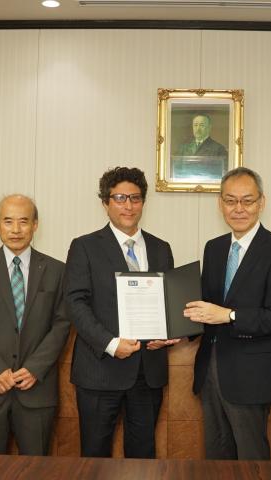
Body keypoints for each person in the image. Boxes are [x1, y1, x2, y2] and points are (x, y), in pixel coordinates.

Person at [66, 167, 177, 458]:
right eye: (119, 198)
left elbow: (169, 304)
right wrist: (111, 344)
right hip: (99, 371)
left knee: (143, 457)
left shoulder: (161, 248)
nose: (128, 205)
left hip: (147, 371)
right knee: (95, 456)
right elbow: (76, 304)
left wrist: (166, 335)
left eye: (135, 198)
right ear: (105, 203)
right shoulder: (84, 247)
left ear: (143, 202)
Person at [185, 167, 271, 460]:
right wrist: (173, 329)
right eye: (231, 200)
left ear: (262, 202)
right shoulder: (214, 248)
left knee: (251, 459)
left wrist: (230, 316)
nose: (239, 209)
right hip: (210, 369)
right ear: (220, 204)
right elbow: (206, 307)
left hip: (251, 375)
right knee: (216, 455)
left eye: (247, 201)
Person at [0, 195, 70, 455]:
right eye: (8, 222)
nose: (16, 229)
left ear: (35, 225)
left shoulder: (57, 270)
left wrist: (35, 368)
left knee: (36, 470)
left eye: (24, 221)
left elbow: (62, 324)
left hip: (37, 390)